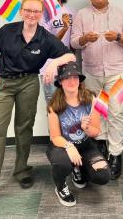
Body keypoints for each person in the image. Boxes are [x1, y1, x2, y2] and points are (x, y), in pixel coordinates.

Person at [0, 0, 76, 209]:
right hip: (3, 84)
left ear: (41, 14)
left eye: (36, 12)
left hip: (29, 83)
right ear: (21, 11)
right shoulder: (6, 31)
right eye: (28, 11)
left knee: (24, 129)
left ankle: (21, 170)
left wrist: (53, 63)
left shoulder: (45, 37)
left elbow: (70, 57)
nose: (32, 15)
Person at [70, 0, 123, 180]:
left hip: (117, 73)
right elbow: (73, 43)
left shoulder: (121, 13)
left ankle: (115, 153)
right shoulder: (81, 14)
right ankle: (100, 146)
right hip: (91, 73)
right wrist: (84, 39)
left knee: (116, 112)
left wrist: (118, 37)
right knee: (97, 112)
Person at [46, 61, 110, 207]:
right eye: (67, 78)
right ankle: (61, 187)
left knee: (103, 175)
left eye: (75, 77)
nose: (71, 81)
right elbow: (55, 137)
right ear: (60, 82)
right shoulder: (54, 105)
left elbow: (96, 131)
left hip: (85, 144)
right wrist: (69, 146)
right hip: (61, 145)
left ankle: (79, 168)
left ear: (80, 81)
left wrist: (86, 128)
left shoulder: (90, 99)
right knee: (63, 164)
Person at [38, 0, 78, 104]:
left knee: (70, 106)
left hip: (68, 66)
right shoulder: (43, 12)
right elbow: (47, 44)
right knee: (54, 107)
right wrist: (64, 28)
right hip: (49, 67)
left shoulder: (71, 12)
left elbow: (74, 40)